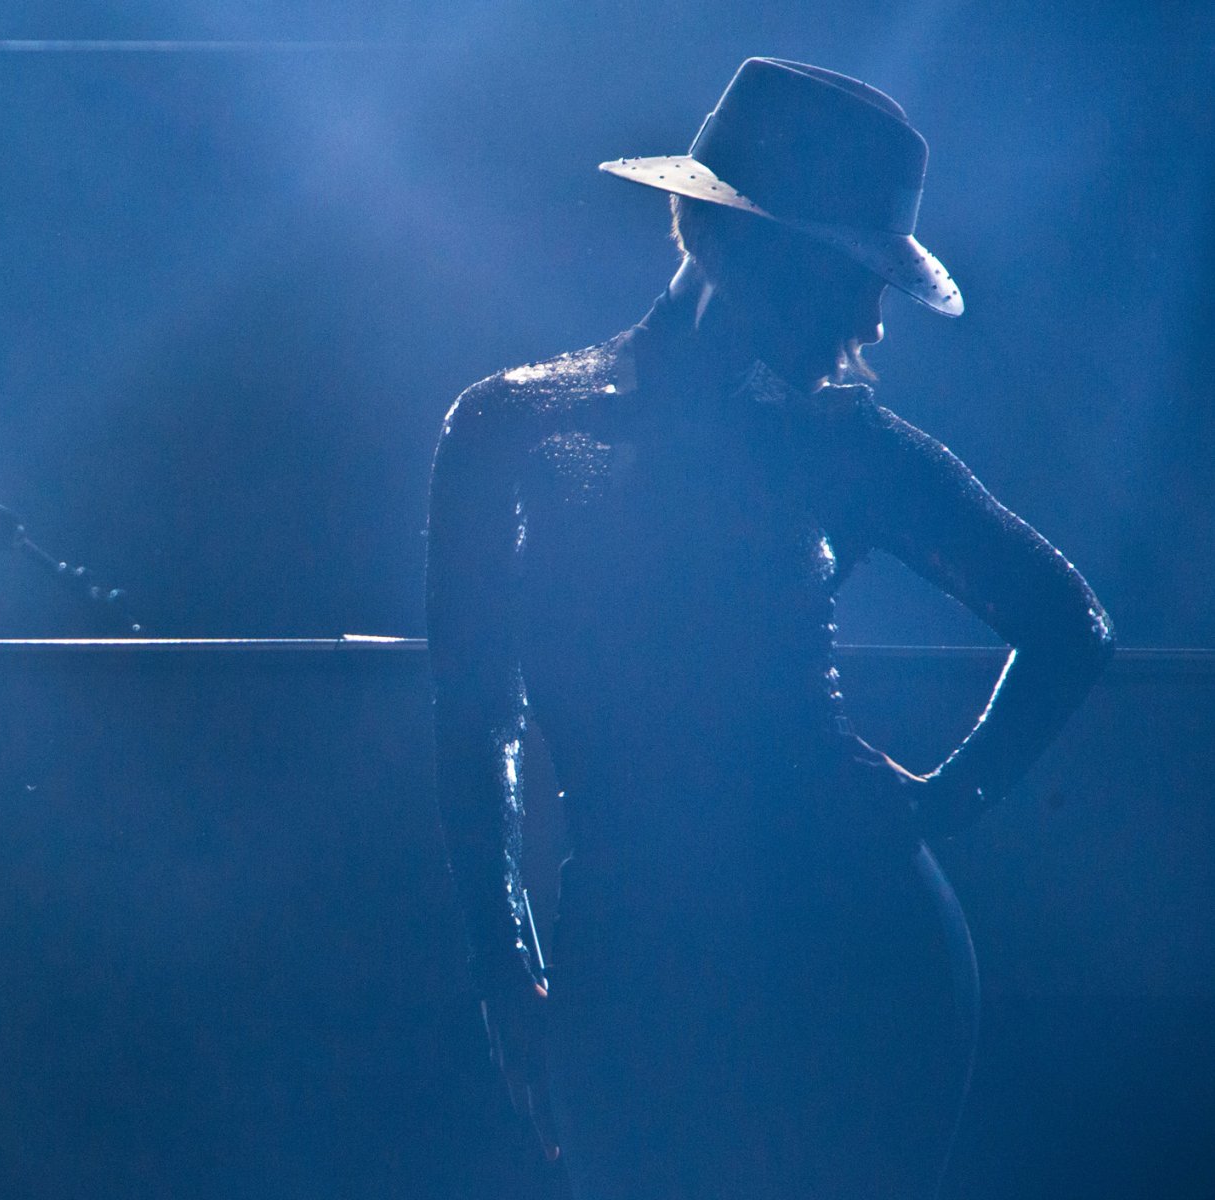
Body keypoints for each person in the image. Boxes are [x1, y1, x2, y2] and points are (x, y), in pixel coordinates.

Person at [426, 59, 1114, 1200]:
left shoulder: (841, 440)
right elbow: (473, 713)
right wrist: (503, 963)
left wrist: (939, 801)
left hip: (857, 951)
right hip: (632, 954)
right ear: (732, 241)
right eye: (852, 274)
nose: (872, 316)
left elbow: (1071, 623)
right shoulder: (512, 430)